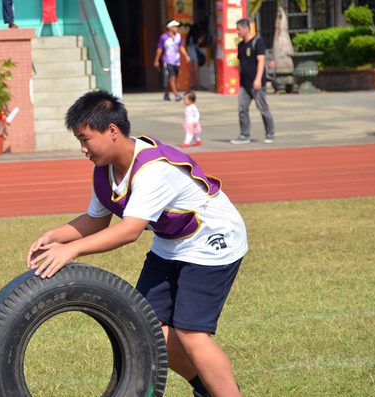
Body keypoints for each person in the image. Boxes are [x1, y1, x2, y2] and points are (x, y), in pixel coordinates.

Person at [27, 89, 247, 397]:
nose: (82, 149)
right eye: (79, 140)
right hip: (171, 241)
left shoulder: (151, 169)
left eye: (85, 139)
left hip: (211, 238)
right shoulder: (103, 172)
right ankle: (208, 387)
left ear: (112, 131)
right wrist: (53, 236)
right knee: (145, 324)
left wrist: (73, 249)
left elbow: (129, 231)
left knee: (191, 334)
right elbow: (96, 220)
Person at [231, 18, 275, 145]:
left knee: (263, 108)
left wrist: (258, 79)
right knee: (242, 109)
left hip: (256, 83)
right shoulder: (240, 45)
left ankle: (270, 133)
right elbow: (240, 63)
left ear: (246, 29)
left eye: (239, 29)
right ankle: (244, 135)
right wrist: (239, 78)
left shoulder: (258, 42)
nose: (237, 31)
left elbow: (261, 61)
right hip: (244, 84)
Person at [154, 19, 191, 102]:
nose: (176, 28)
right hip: (167, 60)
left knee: (173, 78)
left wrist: (186, 55)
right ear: (170, 27)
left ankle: (167, 93)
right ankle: (176, 94)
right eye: (175, 26)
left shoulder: (178, 36)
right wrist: (156, 60)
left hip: (176, 60)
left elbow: (181, 47)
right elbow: (159, 49)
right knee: (172, 77)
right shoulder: (163, 37)